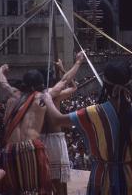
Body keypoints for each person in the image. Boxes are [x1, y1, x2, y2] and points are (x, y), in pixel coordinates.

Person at [43, 60, 132, 194]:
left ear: (105, 84)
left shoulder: (94, 113)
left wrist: (48, 98)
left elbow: (57, 119)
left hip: (103, 180)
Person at [0, 57, 83, 195]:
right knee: (37, 190)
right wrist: (78, 62)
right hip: (30, 148)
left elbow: (2, 82)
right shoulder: (43, 96)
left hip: (9, 149)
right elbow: (65, 80)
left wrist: (1, 69)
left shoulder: (14, 94)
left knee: (14, 191)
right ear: (39, 85)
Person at [40, 53, 84, 195]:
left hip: (40, 140)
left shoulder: (32, 97)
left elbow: (71, 86)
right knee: (59, 182)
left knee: (45, 179)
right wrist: (74, 64)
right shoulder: (52, 94)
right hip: (54, 140)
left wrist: (61, 69)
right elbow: (72, 85)